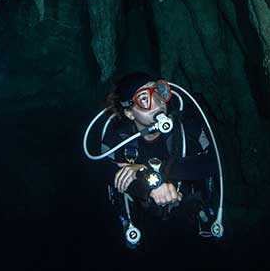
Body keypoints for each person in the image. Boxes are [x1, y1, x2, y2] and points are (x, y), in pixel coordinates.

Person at [86, 71, 223, 248]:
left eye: (158, 92)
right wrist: (145, 180)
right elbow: (102, 170)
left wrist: (151, 173)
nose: (157, 101)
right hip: (142, 229)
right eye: (144, 98)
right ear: (130, 113)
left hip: (192, 223)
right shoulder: (117, 137)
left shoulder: (187, 127)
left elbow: (213, 163)